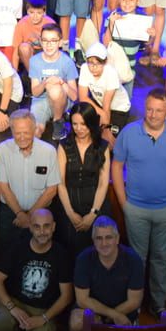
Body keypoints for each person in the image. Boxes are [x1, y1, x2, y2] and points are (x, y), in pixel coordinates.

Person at [111, 88, 166, 318]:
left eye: (158, 110)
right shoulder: (129, 133)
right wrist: (124, 202)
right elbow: (116, 165)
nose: (153, 115)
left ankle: (158, 305)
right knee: (137, 260)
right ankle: (134, 305)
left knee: (160, 259)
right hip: (135, 208)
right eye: (149, 109)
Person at [0, 208, 74, 331]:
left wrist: (44, 318)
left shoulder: (61, 254)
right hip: (16, 302)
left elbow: (67, 296)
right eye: (37, 226)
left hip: (42, 308)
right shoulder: (17, 247)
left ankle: (36, 330)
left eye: (46, 226)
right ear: (30, 227)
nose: (42, 231)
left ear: (54, 227)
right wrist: (12, 308)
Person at [0, 110, 61, 266]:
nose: (22, 137)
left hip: (41, 215)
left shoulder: (49, 151)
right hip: (10, 214)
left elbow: (52, 189)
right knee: (7, 259)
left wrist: (30, 216)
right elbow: (3, 186)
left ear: (34, 130)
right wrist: (19, 213)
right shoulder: (3, 149)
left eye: (26, 132)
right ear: (11, 131)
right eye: (17, 133)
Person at [67, 216, 145, 331]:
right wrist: (112, 315)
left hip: (123, 310)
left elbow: (134, 301)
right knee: (77, 323)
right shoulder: (84, 259)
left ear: (117, 239)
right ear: (93, 240)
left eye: (109, 237)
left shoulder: (133, 259)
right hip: (94, 310)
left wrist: (112, 317)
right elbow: (82, 300)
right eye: (99, 238)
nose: (104, 243)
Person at [57, 102, 111, 257]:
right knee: (69, 255)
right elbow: (60, 182)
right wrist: (70, 213)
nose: (79, 128)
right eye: (75, 124)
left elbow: (103, 183)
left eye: (83, 124)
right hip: (69, 206)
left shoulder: (102, 146)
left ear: (91, 123)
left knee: (98, 255)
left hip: (96, 205)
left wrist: (93, 214)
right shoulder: (64, 146)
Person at [29, 22, 79, 141]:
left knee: (55, 89)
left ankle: (58, 121)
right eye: (45, 40)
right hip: (41, 101)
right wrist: (45, 82)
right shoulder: (34, 61)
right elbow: (35, 92)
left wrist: (61, 82)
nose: (49, 45)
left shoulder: (67, 62)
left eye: (53, 41)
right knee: (35, 131)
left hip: (61, 100)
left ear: (60, 42)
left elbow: (74, 96)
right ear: (40, 41)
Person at [77, 42, 131, 145]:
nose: (93, 67)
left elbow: (107, 104)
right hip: (99, 104)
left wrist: (106, 126)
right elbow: (83, 97)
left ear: (105, 62)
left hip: (118, 108)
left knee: (109, 141)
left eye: (98, 63)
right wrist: (101, 113)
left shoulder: (111, 73)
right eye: (90, 62)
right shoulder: (84, 68)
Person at [11, 0, 55, 73]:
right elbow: (16, 50)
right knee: (24, 47)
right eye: (31, 12)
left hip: (45, 51)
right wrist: (14, 74)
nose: (35, 16)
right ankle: (33, 75)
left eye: (38, 13)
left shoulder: (50, 23)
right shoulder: (21, 24)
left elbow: (55, 47)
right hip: (29, 54)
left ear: (44, 12)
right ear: (27, 11)